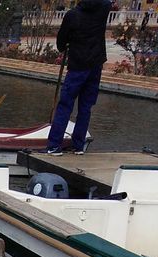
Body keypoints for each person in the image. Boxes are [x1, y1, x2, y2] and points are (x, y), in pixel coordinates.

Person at [46, 0, 113, 156]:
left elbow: (61, 43)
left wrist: (67, 44)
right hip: (95, 65)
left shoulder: (73, 15)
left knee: (65, 105)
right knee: (85, 107)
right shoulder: (103, 9)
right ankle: (78, 145)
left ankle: (54, 145)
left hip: (78, 65)